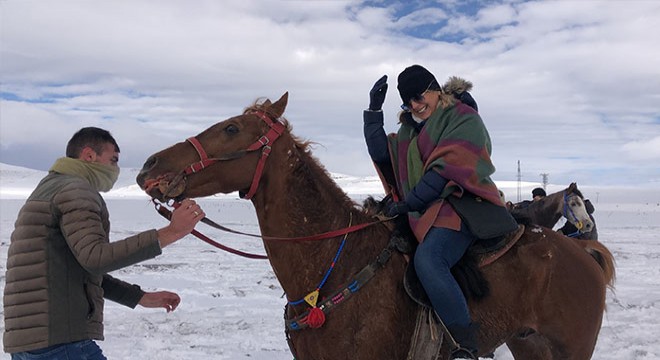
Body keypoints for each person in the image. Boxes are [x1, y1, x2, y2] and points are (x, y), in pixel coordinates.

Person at [3, 127, 205, 359]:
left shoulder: (49, 189)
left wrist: (140, 297)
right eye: (113, 160)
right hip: (61, 342)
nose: (116, 170)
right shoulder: (75, 190)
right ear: (89, 156)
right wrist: (172, 232)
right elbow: (96, 258)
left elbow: (77, 270)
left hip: (30, 341)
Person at [363, 65, 510, 359]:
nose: (416, 106)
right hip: (424, 208)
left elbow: (447, 169)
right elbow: (382, 153)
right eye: (408, 102)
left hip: (464, 204)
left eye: (419, 97)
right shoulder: (410, 130)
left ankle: (465, 346)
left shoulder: (463, 118)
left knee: (429, 260)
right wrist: (373, 113)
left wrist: (409, 203)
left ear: (434, 88)